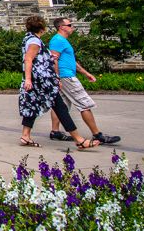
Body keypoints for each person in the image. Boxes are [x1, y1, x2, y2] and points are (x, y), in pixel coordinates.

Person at [19, 15, 98, 150]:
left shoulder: (29, 39)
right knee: (61, 108)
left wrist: (49, 57)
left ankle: (25, 136)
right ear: (42, 28)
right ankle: (79, 140)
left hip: (38, 80)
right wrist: (28, 79)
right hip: (43, 81)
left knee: (32, 105)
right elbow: (28, 59)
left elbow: (36, 58)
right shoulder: (35, 42)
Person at [48, 17, 121, 145]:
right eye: (70, 25)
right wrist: (57, 77)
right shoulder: (57, 40)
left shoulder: (62, 41)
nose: (72, 27)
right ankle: (97, 135)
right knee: (84, 104)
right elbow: (53, 60)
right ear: (62, 27)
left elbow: (71, 61)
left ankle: (55, 132)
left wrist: (86, 73)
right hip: (66, 77)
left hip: (66, 75)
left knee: (61, 105)